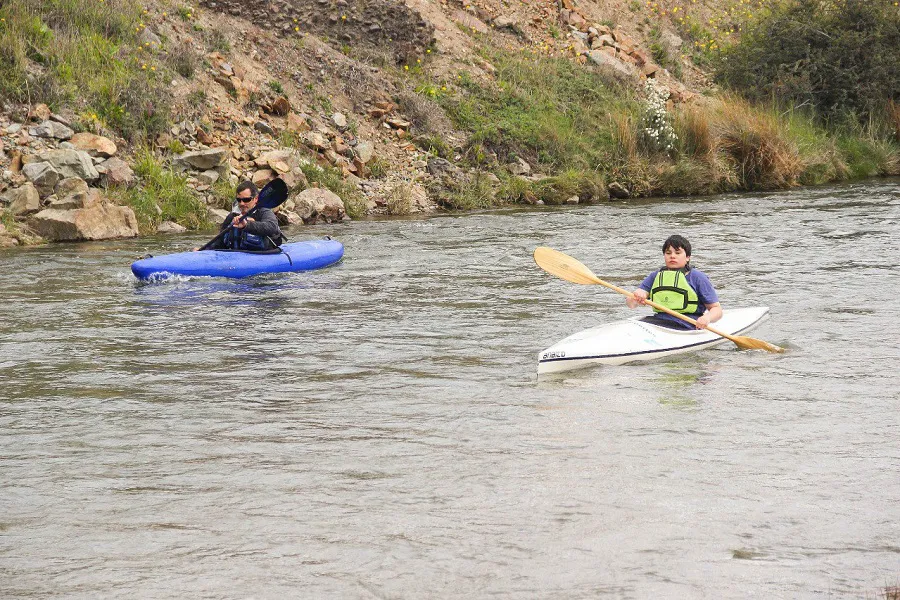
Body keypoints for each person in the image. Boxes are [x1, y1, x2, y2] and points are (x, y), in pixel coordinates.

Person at [626, 234, 722, 330]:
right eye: (668, 253)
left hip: (687, 325)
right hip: (658, 322)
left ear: (687, 257)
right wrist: (636, 296)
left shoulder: (698, 278)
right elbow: (631, 304)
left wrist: (707, 318)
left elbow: (717, 309)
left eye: (677, 253)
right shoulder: (655, 276)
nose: (672, 256)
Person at [199, 181, 284, 251]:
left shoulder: (264, 212)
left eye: (246, 200)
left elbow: (272, 227)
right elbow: (219, 241)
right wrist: (204, 251)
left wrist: (247, 225)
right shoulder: (233, 216)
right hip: (237, 256)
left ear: (256, 199)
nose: (242, 203)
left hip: (263, 254)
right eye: (239, 200)